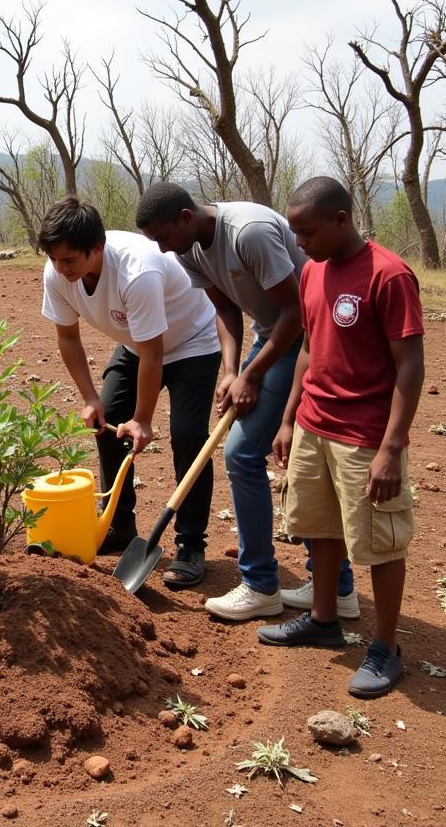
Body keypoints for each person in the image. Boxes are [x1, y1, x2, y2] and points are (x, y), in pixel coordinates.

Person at [135, 184, 358, 621]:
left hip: (308, 338)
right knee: (283, 455)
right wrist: (232, 371)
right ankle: (337, 586)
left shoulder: (247, 232)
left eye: (162, 238)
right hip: (271, 335)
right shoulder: (187, 249)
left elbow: (295, 313)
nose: (162, 249)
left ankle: (261, 585)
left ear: (185, 216)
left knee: (242, 454)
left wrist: (253, 376)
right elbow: (225, 309)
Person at [259, 177, 424, 698]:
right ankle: (324, 619)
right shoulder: (311, 272)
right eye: (294, 232)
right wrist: (288, 420)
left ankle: (386, 647)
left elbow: (410, 365)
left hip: (364, 436)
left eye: (307, 232)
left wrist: (392, 448)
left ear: (342, 219)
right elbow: (309, 348)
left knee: (377, 541)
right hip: (314, 423)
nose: (300, 243)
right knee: (320, 527)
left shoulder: (389, 275)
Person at [39, 197, 221, 586]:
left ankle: (191, 544)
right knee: (105, 418)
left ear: (97, 248)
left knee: (188, 436)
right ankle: (119, 525)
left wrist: (142, 419)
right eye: (55, 259)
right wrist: (90, 398)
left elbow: (155, 351)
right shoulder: (58, 273)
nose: (60, 268)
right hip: (137, 343)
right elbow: (67, 336)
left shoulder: (137, 271)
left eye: (69, 260)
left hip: (191, 340)